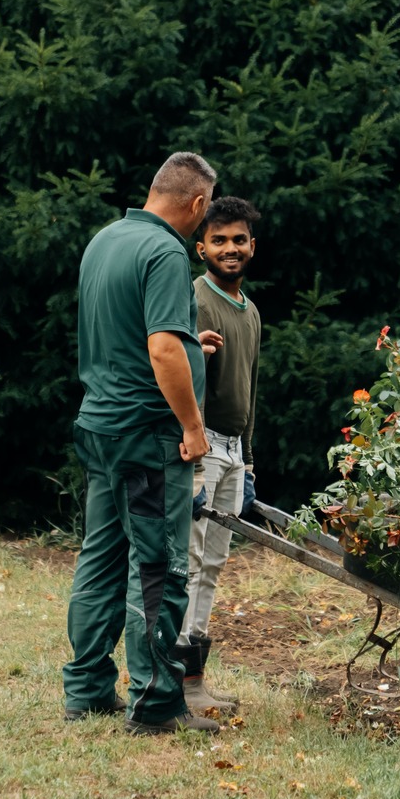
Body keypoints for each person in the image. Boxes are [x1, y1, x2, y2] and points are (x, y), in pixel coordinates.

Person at [63, 152, 223, 734]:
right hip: (146, 434)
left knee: (101, 557)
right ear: (199, 204)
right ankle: (156, 704)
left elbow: (140, 333)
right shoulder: (163, 252)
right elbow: (159, 350)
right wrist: (191, 426)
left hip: (101, 426)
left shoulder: (107, 240)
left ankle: (85, 690)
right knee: (156, 567)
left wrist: (188, 342)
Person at [178, 196, 262, 713]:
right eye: (219, 240)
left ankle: (195, 681)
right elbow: (171, 375)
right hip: (200, 444)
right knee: (187, 561)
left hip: (233, 450)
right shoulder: (194, 299)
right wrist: (187, 453)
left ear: (253, 246)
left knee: (213, 563)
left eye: (238, 240)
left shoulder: (250, 311)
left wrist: (248, 461)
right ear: (201, 246)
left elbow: (249, 390)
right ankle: (173, 678)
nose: (229, 249)